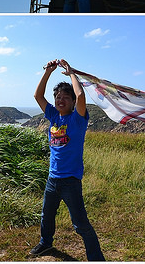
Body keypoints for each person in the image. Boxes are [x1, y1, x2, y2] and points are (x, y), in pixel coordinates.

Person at [30, 59, 105, 261]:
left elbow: (80, 95)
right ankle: (46, 243)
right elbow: (37, 95)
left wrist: (71, 73)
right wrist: (48, 71)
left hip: (71, 181)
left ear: (72, 102)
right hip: (52, 179)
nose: (60, 100)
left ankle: (96, 258)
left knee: (80, 224)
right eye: (58, 97)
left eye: (65, 97)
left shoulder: (77, 120)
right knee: (47, 216)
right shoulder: (54, 116)